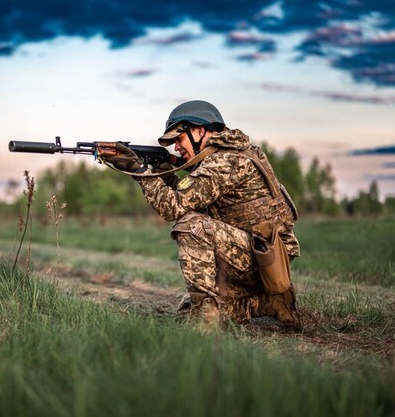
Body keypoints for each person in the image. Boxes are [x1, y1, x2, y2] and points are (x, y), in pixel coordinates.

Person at [101, 100, 302, 331]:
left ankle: (205, 322)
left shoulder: (226, 161)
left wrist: (139, 171)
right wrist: (160, 173)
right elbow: (188, 197)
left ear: (199, 130)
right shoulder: (228, 155)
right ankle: (272, 303)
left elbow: (174, 207)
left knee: (191, 226)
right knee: (186, 310)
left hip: (267, 261)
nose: (176, 148)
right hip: (259, 255)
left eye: (179, 139)